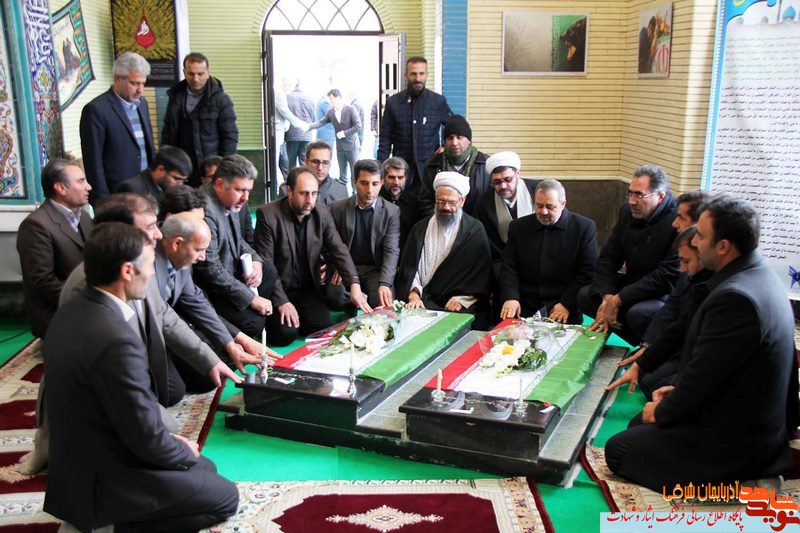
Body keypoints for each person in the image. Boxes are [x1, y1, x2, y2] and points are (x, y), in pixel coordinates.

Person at [43, 222, 238, 532]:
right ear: (127, 271)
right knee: (225, 496)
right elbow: (146, 440)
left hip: (77, 467)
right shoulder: (116, 339)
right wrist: (180, 451)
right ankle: (115, 525)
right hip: (108, 475)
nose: (152, 274)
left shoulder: (73, 309)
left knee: (205, 468)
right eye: (148, 265)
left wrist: (174, 447)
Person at [604, 194, 796, 493]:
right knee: (639, 425)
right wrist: (675, 394)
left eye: (702, 236)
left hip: (737, 439)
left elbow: (704, 376)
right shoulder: (755, 275)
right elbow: (723, 369)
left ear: (723, 246)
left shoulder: (736, 299)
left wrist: (664, 411)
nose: (694, 241)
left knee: (619, 449)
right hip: (739, 412)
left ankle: (740, 483)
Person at [254, 167, 371, 346]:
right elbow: (266, 263)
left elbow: (339, 249)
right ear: (289, 191)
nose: (310, 200)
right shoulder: (268, 215)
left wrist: (354, 285)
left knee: (324, 328)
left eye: (314, 194)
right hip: (278, 289)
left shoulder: (321, 212)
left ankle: (298, 319)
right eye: (303, 194)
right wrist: (282, 302)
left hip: (307, 289)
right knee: (285, 335)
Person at [156, 213, 273, 392]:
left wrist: (232, 344)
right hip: (145, 335)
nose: (203, 257)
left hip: (169, 326)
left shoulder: (181, 260)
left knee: (223, 361)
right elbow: (166, 320)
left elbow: (197, 303)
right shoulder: (150, 266)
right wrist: (212, 360)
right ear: (177, 243)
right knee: (176, 390)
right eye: (199, 250)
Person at [613, 190, 713, 389]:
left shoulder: (714, 273)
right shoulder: (690, 252)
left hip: (697, 351)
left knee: (652, 384)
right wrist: (648, 348)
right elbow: (674, 306)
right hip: (681, 332)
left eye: (680, 217)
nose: (674, 223)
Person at [576, 164, 679, 345]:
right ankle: (611, 336)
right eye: (630, 193)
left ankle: (643, 348)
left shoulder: (677, 220)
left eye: (639, 195)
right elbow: (609, 256)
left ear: (660, 196)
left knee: (638, 314)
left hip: (661, 292)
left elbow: (667, 276)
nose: (632, 201)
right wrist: (607, 296)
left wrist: (619, 299)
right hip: (632, 283)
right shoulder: (628, 211)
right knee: (586, 295)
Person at [194, 155, 278, 338]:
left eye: (248, 191)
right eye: (240, 190)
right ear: (219, 184)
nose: (245, 198)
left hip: (230, 270)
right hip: (212, 288)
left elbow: (238, 240)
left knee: (268, 270)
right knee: (254, 323)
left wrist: (255, 260)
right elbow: (210, 269)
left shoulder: (227, 199)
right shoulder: (204, 209)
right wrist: (251, 299)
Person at [396, 172, 492, 329]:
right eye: (441, 201)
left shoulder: (474, 230)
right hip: (425, 298)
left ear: (462, 201)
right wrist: (414, 294)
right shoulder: (419, 229)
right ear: (435, 199)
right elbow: (410, 269)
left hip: (459, 303)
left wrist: (463, 299)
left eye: (451, 202)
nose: (446, 207)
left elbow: (481, 276)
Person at [499, 179, 597, 324]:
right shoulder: (518, 227)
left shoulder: (583, 227)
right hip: (524, 304)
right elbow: (509, 266)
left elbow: (587, 272)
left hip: (562, 306)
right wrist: (511, 297)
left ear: (563, 204)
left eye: (550, 207)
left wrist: (567, 303)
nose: (544, 212)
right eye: (539, 206)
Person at [17, 158, 92, 338]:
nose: (88, 187)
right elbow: (42, 282)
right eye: (81, 181)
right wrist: (92, 297)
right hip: (59, 316)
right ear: (61, 188)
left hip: (86, 306)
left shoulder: (84, 217)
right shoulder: (36, 225)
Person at [80, 52, 155, 203]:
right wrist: (102, 203)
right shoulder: (96, 110)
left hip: (146, 190)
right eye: (134, 83)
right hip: (118, 194)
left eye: (143, 83)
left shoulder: (142, 104)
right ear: (117, 79)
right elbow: (93, 163)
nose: (140, 90)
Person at [328, 159, 401, 308]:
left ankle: (362, 299)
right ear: (354, 182)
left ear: (382, 183)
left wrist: (385, 283)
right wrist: (338, 266)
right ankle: (358, 300)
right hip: (347, 267)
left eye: (375, 184)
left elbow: (391, 250)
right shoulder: (337, 208)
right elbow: (332, 245)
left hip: (374, 270)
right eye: (364, 183)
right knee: (335, 298)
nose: (369, 190)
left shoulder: (391, 212)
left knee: (382, 301)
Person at [161, 53, 238, 186]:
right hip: (180, 169)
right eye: (191, 74)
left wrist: (223, 168)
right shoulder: (175, 97)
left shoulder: (221, 100)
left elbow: (230, 137)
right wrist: (166, 161)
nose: (196, 79)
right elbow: (167, 131)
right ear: (184, 72)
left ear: (208, 72)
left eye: (200, 74)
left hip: (210, 171)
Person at [378, 56, 452, 188]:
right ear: (406, 75)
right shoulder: (393, 103)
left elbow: (454, 127)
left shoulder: (437, 102)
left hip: (430, 170)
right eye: (413, 74)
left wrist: (446, 147)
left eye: (421, 73)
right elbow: (385, 139)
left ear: (427, 75)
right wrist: (381, 170)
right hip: (401, 173)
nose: (417, 78)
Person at [418, 115, 490, 218]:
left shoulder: (485, 165)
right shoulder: (433, 165)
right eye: (450, 138)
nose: (454, 143)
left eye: (459, 137)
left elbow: (490, 203)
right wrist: (442, 220)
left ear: (469, 140)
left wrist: (472, 224)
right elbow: (426, 201)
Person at [474, 151, 537, 265]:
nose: (503, 186)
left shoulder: (537, 190)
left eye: (508, 179)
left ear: (517, 173)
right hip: (504, 262)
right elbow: (488, 241)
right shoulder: (484, 202)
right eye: (497, 182)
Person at [308, 89, 361, 183]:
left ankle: (355, 191)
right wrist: (308, 127)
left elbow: (358, 126)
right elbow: (321, 122)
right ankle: (343, 190)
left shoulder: (350, 109)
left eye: (332, 99)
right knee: (342, 174)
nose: (330, 101)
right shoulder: (331, 112)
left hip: (352, 145)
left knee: (354, 172)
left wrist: (344, 133)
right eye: (329, 99)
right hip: (340, 146)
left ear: (339, 98)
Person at [115, 144, 192, 201]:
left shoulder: (169, 189)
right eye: (176, 179)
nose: (180, 184)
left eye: (183, 180)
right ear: (160, 169)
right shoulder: (133, 189)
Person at [379, 156, 421, 250]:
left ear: (406, 179)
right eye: (391, 177)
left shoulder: (415, 204)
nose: (396, 182)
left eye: (400, 177)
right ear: (383, 178)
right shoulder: (375, 200)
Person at [300, 141, 348, 206]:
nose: (320, 168)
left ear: (330, 164)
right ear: (306, 162)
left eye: (325, 162)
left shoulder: (341, 190)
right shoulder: (291, 188)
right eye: (315, 162)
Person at [286, 80, 315, 167]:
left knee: (291, 163)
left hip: (292, 135)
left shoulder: (288, 97)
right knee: (305, 163)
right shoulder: (310, 99)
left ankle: (292, 176)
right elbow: (314, 119)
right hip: (306, 135)